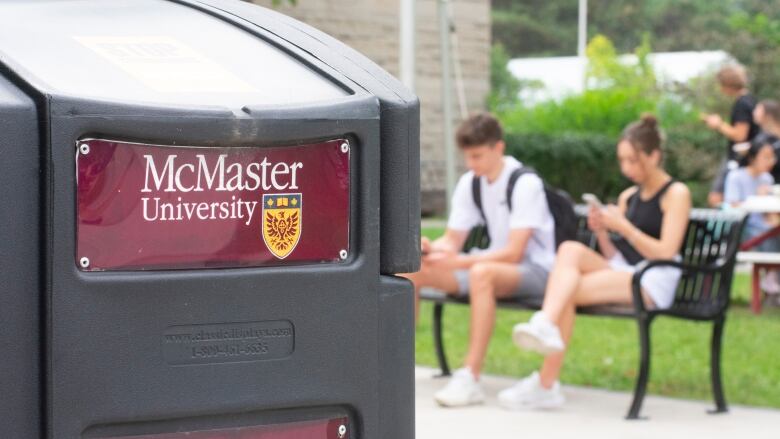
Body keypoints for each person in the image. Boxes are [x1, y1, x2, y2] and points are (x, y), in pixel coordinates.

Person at [506, 115, 691, 410]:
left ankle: (546, 377)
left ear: (654, 156)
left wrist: (625, 227)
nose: (626, 168)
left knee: (565, 288)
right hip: (626, 271)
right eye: (622, 160)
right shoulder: (629, 196)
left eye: (633, 160)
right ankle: (545, 329)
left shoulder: (676, 193)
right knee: (569, 250)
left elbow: (666, 252)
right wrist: (604, 232)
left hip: (655, 278)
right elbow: (617, 257)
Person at [401, 112, 557, 407]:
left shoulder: (525, 183)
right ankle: (396, 363)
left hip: (537, 271)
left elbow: (515, 252)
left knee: (481, 273)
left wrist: (457, 262)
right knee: (413, 270)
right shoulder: (471, 182)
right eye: (467, 157)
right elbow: (452, 240)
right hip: (491, 267)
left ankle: (470, 377)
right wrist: (431, 249)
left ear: (499, 148)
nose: (471, 165)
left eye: (478, 156)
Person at [724, 135, 780, 298]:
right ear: (753, 158)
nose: (771, 161)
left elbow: (769, 215)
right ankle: (772, 280)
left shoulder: (767, 179)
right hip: (743, 229)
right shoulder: (736, 177)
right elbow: (731, 206)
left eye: (772, 157)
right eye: (766, 157)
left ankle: (772, 279)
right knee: (769, 236)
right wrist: (756, 198)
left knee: (773, 233)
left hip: (762, 227)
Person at [703, 65, 760, 207]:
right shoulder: (750, 100)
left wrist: (718, 124)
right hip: (748, 158)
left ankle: (727, 228)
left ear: (727, 84)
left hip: (737, 158)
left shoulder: (742, 103)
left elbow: (740, 135)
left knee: (716, 197)